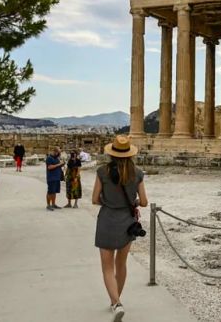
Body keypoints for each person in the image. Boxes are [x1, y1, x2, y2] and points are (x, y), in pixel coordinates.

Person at [92, 135, 148, 321]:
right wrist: (134, 203)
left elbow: (94, 199)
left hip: (107, 219)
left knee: (107, 267)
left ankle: (116, 303)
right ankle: (116, 301)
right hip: (127, 221)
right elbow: (145, 201)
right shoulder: (137, 172)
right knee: (121, 264)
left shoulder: (102, 171)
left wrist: (109, 201)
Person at [45, 147, 65, 211]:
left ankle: (53, 204)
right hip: (51, 178)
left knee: (54, 192)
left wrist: (62, 164)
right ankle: (48, 205)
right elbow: (50, 167)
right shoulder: (49, 158)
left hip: (57, 177)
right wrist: (59, 164)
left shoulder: (56, 158)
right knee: (50, 192)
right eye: (58, 152)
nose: (59, 154)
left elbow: (58, 165)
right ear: (55, 152)